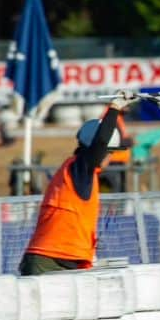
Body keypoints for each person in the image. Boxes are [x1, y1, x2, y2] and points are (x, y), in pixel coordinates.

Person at [18, 92, 134, 275]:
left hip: (64, 259)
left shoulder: (82, 172)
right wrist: (114, 109)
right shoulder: (80, 167)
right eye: (110, 152)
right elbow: (101, 142)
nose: (110, 158)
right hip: (49, 260)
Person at [99, 109, 134, 193]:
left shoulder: (117, 117)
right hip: (112, 162)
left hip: (117, 161)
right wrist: (130, 141)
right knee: (114, 191)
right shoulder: (111, 117)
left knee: (118, 190)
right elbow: (116, 141)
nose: (129, 106)